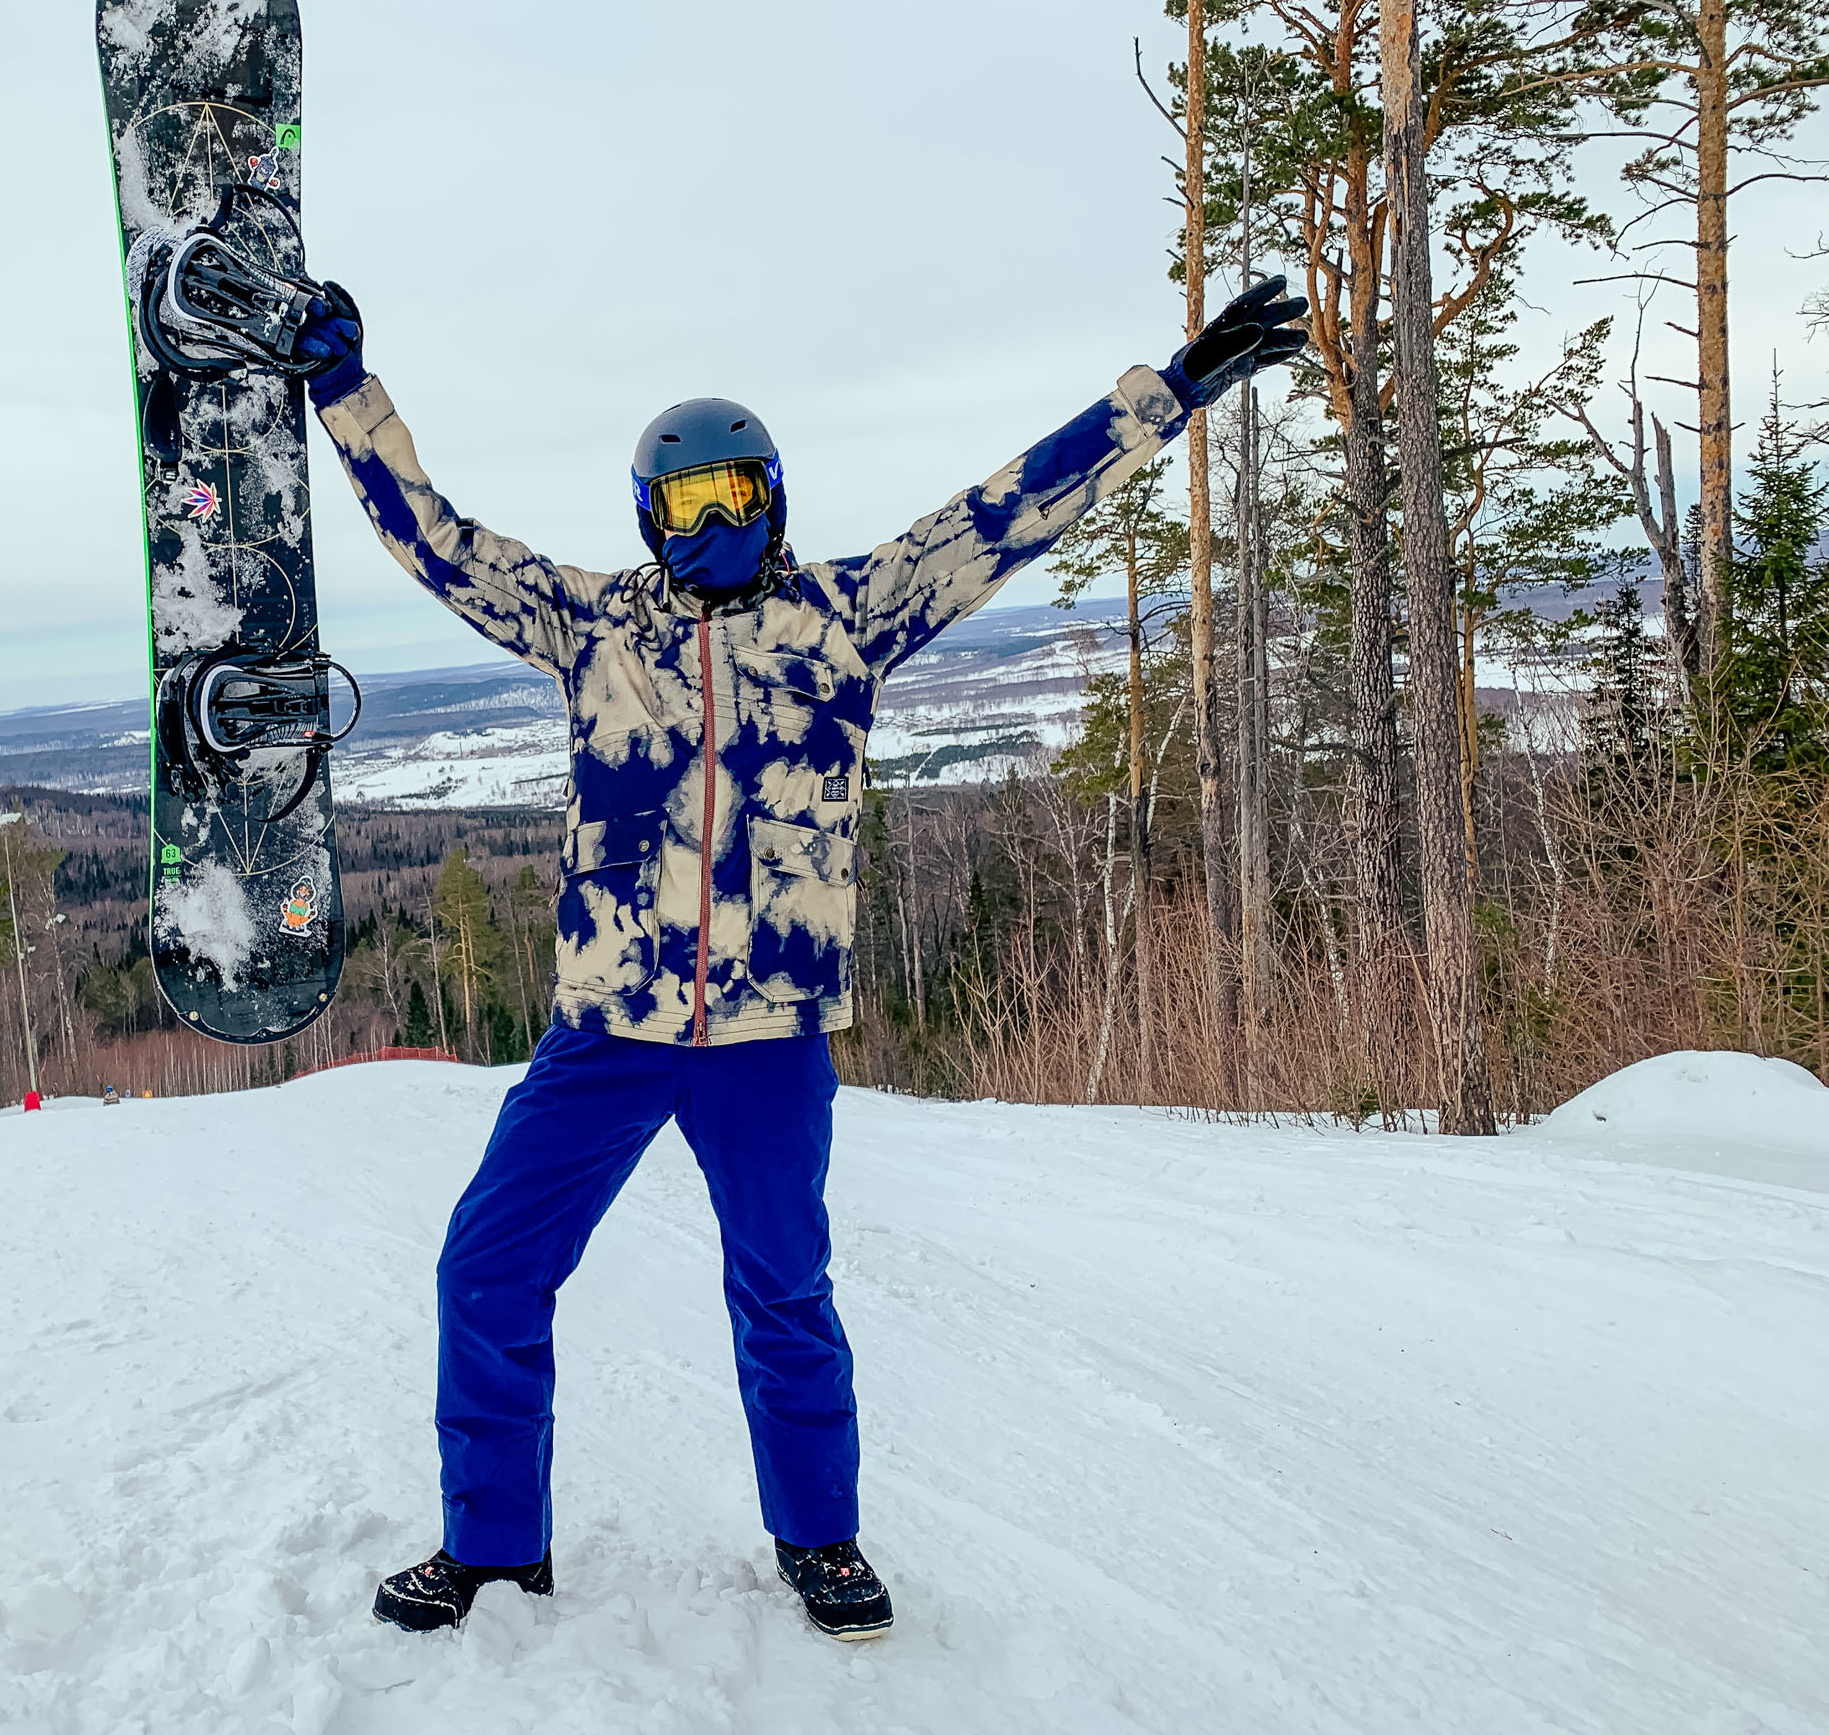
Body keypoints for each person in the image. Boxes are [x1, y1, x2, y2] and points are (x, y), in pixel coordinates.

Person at [291, 277, 1306, 1640]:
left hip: (768, 1038)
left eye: (733, 494)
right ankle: (491, 1546)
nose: (710, 523)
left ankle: (820, 1539)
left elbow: (1008, 513)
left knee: (782, 1289)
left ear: (773, 499)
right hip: (610, 1030)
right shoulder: (595, 629)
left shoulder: (847, 618)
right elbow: (440, 543)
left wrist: (1167, 395)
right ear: (648, 517)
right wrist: (345, 393)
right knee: (486, 1268)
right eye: (683, 502)